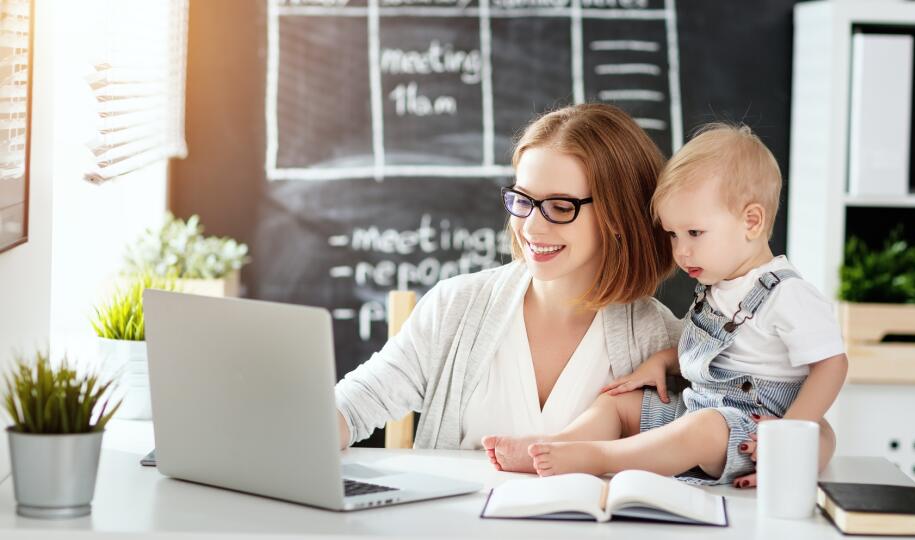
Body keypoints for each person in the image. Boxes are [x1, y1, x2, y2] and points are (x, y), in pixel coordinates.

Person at [483, 124, 846, 486]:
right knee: (619, 404)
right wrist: (663, 361)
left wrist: (789, 437)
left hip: (749, 429)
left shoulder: (787, 294)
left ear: (751, 221)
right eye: (673, 234)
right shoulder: (716, 288)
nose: (681, 251)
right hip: (698, 407)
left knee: (702, 429)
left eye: (694, 234)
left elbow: (832, 365)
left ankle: (598, 457)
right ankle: (556, 445)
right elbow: (714, 351)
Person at [334, 103, 680, 451]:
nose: (531, 227)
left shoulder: (660, 340)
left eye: (560, 207)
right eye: (523, 199)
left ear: (619, 216)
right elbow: (355, 403)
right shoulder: (454, 307)